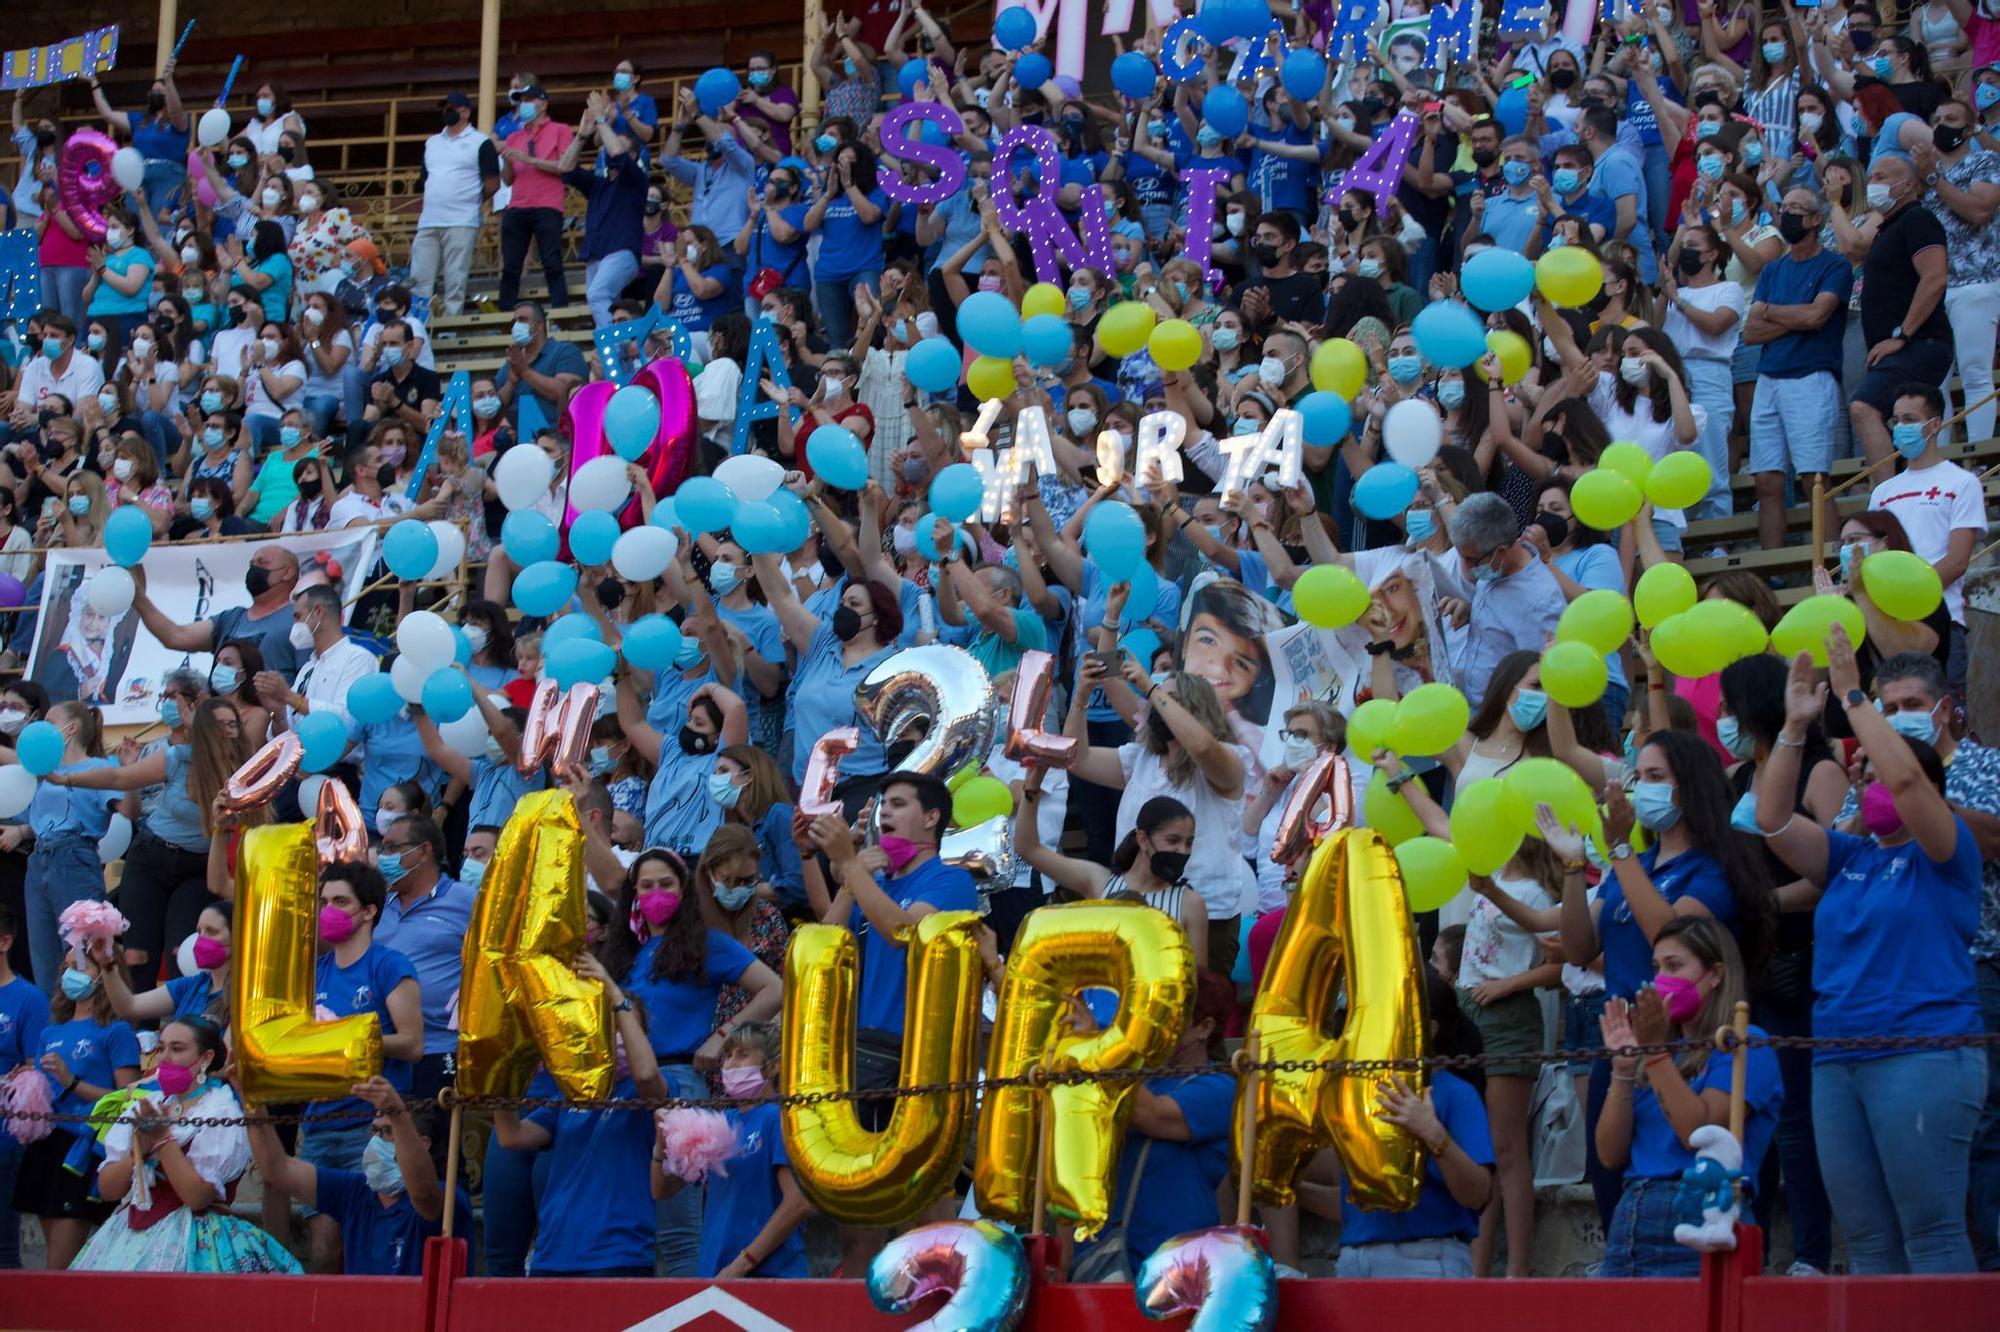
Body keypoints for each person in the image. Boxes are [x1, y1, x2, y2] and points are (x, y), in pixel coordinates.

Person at [803, 771, 977, 1270]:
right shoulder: (869, 878)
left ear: (931, 817)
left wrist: (850, 867)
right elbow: (826, 942)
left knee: (921, 1224)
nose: (886, 813)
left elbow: (904, 930)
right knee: (858, 1224)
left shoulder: (951, 880)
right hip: (859, 1055)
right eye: (883, 805)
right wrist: (850, 875)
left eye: (898, 804)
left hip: (916, 1062)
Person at [1592, 917, 1783, 1277]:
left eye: (1674, 966)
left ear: (1716, 974)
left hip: (1702, 1214)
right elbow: (1608, 1154)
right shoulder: (1661, 1051)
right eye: (1656, 967)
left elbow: (1697, 1131)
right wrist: (1622, 1069)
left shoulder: (1746, 1043)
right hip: (1632, 1213)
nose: (1660, 979)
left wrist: (1654, 1053)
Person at [1063, 658, 1250, 977]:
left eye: (1170, 699)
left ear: (1195, 707)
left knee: (1194, 1012)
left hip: (1206, 910)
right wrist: (1080, 699)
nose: (1157, 705)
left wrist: (1150, 687)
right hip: (1140, 903)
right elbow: (1077, 759)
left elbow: (1202, 747)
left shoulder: (1229, 758)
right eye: (1158, 699)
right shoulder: (1143, 758)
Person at [44, 696, 246, 989]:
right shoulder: (177, 757)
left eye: (233, 724)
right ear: (203, 729)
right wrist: (67, 781)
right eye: (220, 724)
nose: (229, 730)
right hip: (150, 858)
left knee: (183, 953)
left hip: (195, 869)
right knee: (139, 956)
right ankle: (142, 1033)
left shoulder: (245, 773)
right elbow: (118, 777)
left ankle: (184, 1027)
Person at [491, 950, 670, 1277]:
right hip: (552, 1254)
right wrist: (499, 1077)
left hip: (618, 1255)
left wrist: (614, 994)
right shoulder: (570, 1092)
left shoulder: (652, 1091)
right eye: (604, 1026)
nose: (612, 1037)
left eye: (621, 1028)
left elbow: (646, 1074)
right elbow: (512, 1137)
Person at [1325, 969, 1496, 1278]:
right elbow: (1356, 1207)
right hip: (1355, 1259)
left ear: (1428, 1029)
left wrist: (1433, 1135)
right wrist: (1293, 1191)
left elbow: (1478, 1194)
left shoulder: (1457, 1095)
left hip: (1426, 1260)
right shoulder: (1362, 1091)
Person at [296, 861, 424, 1274]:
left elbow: (413, 1043)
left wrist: (347, 1035)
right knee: (323, 1250)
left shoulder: (390, 965)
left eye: (340, 901)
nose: (328, 910)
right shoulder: (313, 973)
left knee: (370, 1246)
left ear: (368, 911)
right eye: (324, 901)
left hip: (371, 1127)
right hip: (318, 1124)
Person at [243, 1073, 465, 1275]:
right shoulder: (355, 1191)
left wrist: (397, 1113)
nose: (376, 1141)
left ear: (423, 1143)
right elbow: (277, 1169)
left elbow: (423, 1195)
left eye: (387, 1131)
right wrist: (250, 1098)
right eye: (374, 1131)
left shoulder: (447, 1198)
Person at [10, 943, 140, 1269]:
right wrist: (24, 1084)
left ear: (105, 973)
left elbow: (127, 1096)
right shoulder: (52, 1030)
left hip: (82, 1146)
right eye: (67, 967)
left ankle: (60, 1320)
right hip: (47, 1144)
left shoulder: (116, 1030)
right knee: (50, 1258)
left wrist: (72, 1083)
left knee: (60, 1266)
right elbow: (43, 1088)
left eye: (80, 967)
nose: (71, 974)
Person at [652, 1020, 810, 1278]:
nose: (731, 1064)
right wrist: (662, 1142)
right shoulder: (720, 1121)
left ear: (773, 1066)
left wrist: (743, 1263)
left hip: (769, 1275)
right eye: (727, 1056)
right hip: (716, 1273)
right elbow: (663, 1189)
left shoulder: (779, 1118)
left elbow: (799, 1202)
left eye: (742, 1055)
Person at [1742, 187, 1852, 551]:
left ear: (1816, 218)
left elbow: (1818, 316)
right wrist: (1796, 316)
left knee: (1814, 477)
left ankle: (1832, 565)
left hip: (1811, 376)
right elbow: (1752, 331)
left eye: (1796, 209)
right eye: (1784, 207)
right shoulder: (1773, 270)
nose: (1787, 214)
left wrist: (1772, 312)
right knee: (1767, 481)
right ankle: (1771, 569)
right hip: (1769, 377)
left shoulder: (1834, 265)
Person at [1869, 383, 1987, 692]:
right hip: (1889, 625)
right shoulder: (1882, 492)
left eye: (1910, 419)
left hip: (1943, 618)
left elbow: (1958, 561)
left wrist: (1906, 597)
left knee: (1945, 714)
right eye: (1896, 421)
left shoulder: (1963, 482)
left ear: (1934, 425)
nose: (1900, 428)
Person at [1016, 787, 1209, 963]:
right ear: (1143, 839)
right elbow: (1028, 848)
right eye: (1173, 840)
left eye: (1189, 843)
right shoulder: (1100, 882)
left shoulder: (1190, 903)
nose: (1182, 851)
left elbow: (1198, 982)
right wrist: (1032, 787)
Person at [1848, 153, 1953, 465]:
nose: (1872, 184)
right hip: (1901, 346)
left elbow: (1934, 277)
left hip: (1919, 342)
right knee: (1899, 418)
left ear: (1906, 185)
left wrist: (1902, 334)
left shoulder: (1918, 219)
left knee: (1864, 407)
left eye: (1880, 177)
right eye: (1870, 178)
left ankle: (1886, 500)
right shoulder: (1886, 228)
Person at [370, 813, 473, 1103]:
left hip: (440, 1048)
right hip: (384, 1049)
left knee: (434, 1142)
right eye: (383, 849)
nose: (384, 857)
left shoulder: (466, 900)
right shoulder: (377, 907)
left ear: (424, 850)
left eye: (393, 848)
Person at [17, 701, 119, 996]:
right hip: (39, 859)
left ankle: (94, 1021)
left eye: (50, 721)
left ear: (70, 729)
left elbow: (126, 808)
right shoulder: (41, 771)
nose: (41, 728)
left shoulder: (99, 768)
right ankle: (57, 1030)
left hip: (74, 855)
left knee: (82, 951)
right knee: (44, 956)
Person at [1446, 493, 1565, 709]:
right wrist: (1469, 610)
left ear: (1500, 551)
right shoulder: (1493, 568)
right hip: (1471, 709)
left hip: (1503, 720)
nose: (1466, 568)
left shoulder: (1539, 601)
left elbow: (1541, 683)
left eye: (1471, 560)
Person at [129, 544, 302, 678]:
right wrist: (138, 598)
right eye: (252, 564)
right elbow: (175, 636)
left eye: (262, 563)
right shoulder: (230, 619)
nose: (254, 569)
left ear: (287, 572)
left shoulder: (299, 618)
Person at [411, 92, 499, 318]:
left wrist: (470, 201)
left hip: (461, 220)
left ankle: (449, 328)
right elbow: (425, 179)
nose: (446, 112)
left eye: (452, 107)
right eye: (444, 108)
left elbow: (492, 183)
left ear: (466, 112)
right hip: (429, 219)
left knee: (455, 279)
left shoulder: (481, 142)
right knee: (419, 277)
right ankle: (418, 323)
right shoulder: (432, 142)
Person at [0, 904, 50, 1270]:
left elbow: (34, 1069)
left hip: (4, 1135)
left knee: (2, 1241)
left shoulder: (29, 999)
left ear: (5, 941)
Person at [498, 84, 574, 310]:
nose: (524, 104)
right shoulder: (513, 137)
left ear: (543, 103)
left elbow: (565, 166)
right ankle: (505, 314)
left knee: (552, 262)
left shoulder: (560, 130)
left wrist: (529, 160)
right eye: (522, 100)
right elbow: (508, 179)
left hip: (547, 205)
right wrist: (509, 162)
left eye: (530, 99)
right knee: (510, 265)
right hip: (517, 205)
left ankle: (560, 311)